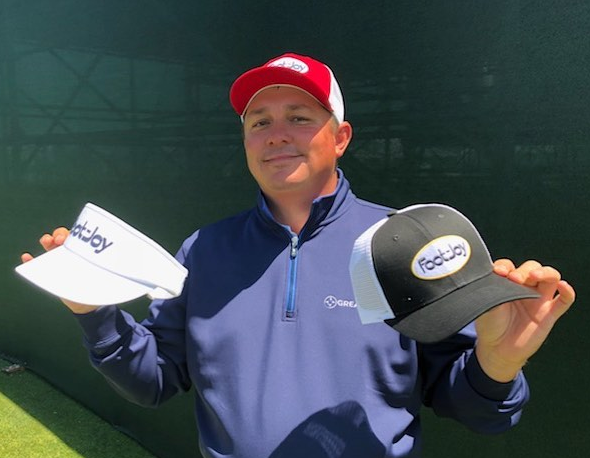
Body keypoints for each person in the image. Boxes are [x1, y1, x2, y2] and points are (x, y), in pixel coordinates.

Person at [21, 53, 575, 458]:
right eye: (259, 123)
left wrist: (499, 364)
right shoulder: (203, 250)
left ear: (340, 137)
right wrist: (94, 314)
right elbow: (154, 381)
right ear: (245, 143)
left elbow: (475, 411)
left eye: (300, 118)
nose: (276, 134)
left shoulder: (404, 242)